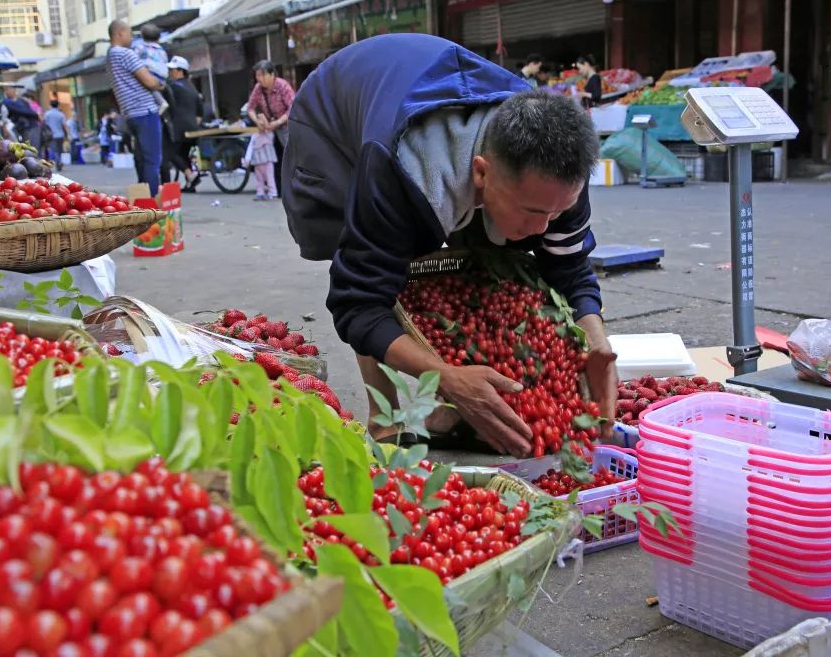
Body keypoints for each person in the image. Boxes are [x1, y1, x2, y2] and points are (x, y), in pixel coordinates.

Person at [280, 34, 617, 457]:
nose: (542, 229)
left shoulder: (554, 176)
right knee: (376, 265)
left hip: (428, 96)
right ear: (481, 173)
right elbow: (358, 304)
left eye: (556, 213)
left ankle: (448, 409)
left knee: (479, 269)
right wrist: (444, 375)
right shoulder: (398, 170)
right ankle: (384, 418)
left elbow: (569, 267)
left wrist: (596, 341)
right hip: (335, 118)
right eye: (533, 212)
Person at [106, 19, 165, 195]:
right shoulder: (125, 53)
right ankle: (152, 201)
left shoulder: (109, 56)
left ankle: (143, 199)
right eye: (130, 34)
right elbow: (150, 81)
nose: (132, 38)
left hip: (130, 114)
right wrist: (160, 83)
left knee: (141, 159)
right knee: (152, 160)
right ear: (120, 33)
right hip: (145, 111)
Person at [246, 60, 294, 199]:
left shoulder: (282, 86)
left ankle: (294, 190)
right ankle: (278, 191)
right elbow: (250, 108)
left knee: (290, 157)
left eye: (262, 75)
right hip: (270, 129)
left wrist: (278, 122)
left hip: (286, 127)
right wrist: (257, 121)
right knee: (274, 160)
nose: (259, 79)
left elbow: (293, 107)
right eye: (257, 76)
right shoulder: (258, 88)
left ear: (272, 74)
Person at [160, 56, 204, 192]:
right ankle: (191, 185)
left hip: (178, 127)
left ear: (180, 71)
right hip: (193, 128)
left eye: (172, 70)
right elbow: (200, 112)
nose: (170, 72)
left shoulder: (171, 86)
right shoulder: (192, 87)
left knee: (169, 153)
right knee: (184, 155)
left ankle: (189, 174)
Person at [133, 23, 171, 117]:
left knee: (146, 83)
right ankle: (160, 102)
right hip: (162, 76)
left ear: (142, 37)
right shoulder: (161, 50)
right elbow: (165, 62)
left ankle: (161, 102)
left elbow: (134, 62)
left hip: (151, 74)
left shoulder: (140, 48)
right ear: (158, 38)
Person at [243, 129, 278, 201]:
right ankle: (260, 193)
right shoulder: (254, 136)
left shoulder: (269, 134)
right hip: (257, 161)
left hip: (268, 161)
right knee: (259, 179)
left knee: (269, 178)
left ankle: (272, 193)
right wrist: (247, 159)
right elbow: (250, 147)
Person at [42, 100, 67, 166]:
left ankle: (58, 161)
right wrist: (68, 134)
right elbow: (64, 125)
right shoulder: (61, 114)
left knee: (54, 150)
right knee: (60, 149)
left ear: (50, 105)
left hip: (51, 135)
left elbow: (44, 124)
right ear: (58, 105)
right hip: (60, 135)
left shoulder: (47, 114)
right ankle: (59, 161)